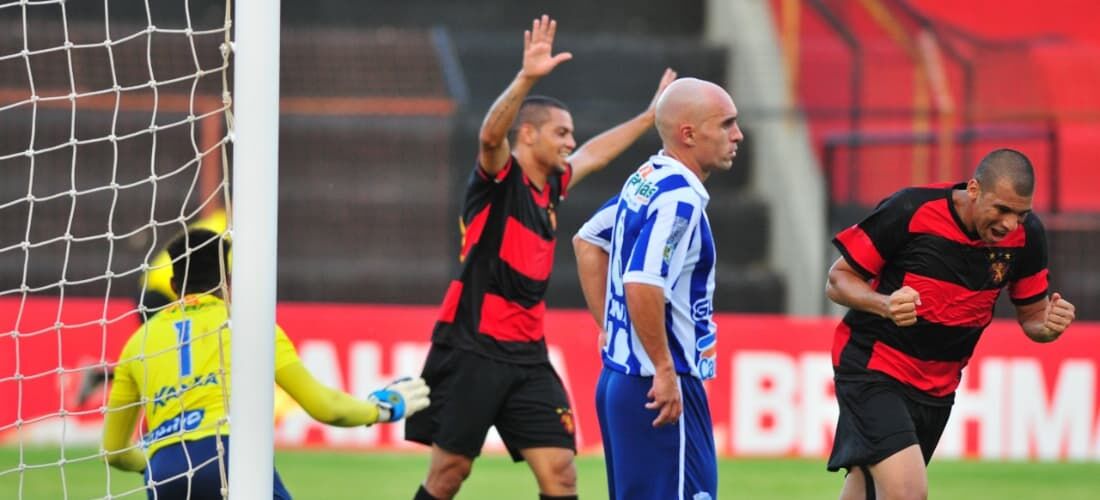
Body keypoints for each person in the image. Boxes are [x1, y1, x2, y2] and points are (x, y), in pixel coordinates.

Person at [404, 14, 676, 500]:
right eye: (561, 133)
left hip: (528, 357)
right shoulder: (497, 183)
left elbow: (594, 155)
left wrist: (648, 117)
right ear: (527, 135)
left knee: (562, 475)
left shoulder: (551, 187)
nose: (570, 143)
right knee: (449, 476)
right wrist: (528, 77)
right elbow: (490, 138)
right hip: (473, 348)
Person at [102, 228, 430, 500]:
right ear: (229, 281)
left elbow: (115, 452)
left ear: (174, 286)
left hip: (164, 472)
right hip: (231, 458)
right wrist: (386, 408)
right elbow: (326, 407)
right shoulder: (249, 326)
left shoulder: (138, 342)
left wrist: (158, 464)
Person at [825, 148, 1076, 500]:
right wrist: (884, 305)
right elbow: (838, 280)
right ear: (974, 189)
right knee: (907, 493)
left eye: (1020, 214)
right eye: (1002, 210)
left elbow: (1033, 316)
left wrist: (1048, 327)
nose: (1010, 224)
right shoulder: (911, 210)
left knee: (865, 491)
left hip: (938, 387)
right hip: (873, 367)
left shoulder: (1027, 235)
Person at [578, 77, 743, 500]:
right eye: (726, 124)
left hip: (622, 377)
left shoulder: (647, 178)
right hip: (659, 386)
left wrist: (610, 327)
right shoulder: (679, 199)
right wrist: (664, 370)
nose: (737, 135)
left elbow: (588, 241)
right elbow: (642, 280)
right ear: (688, 134)